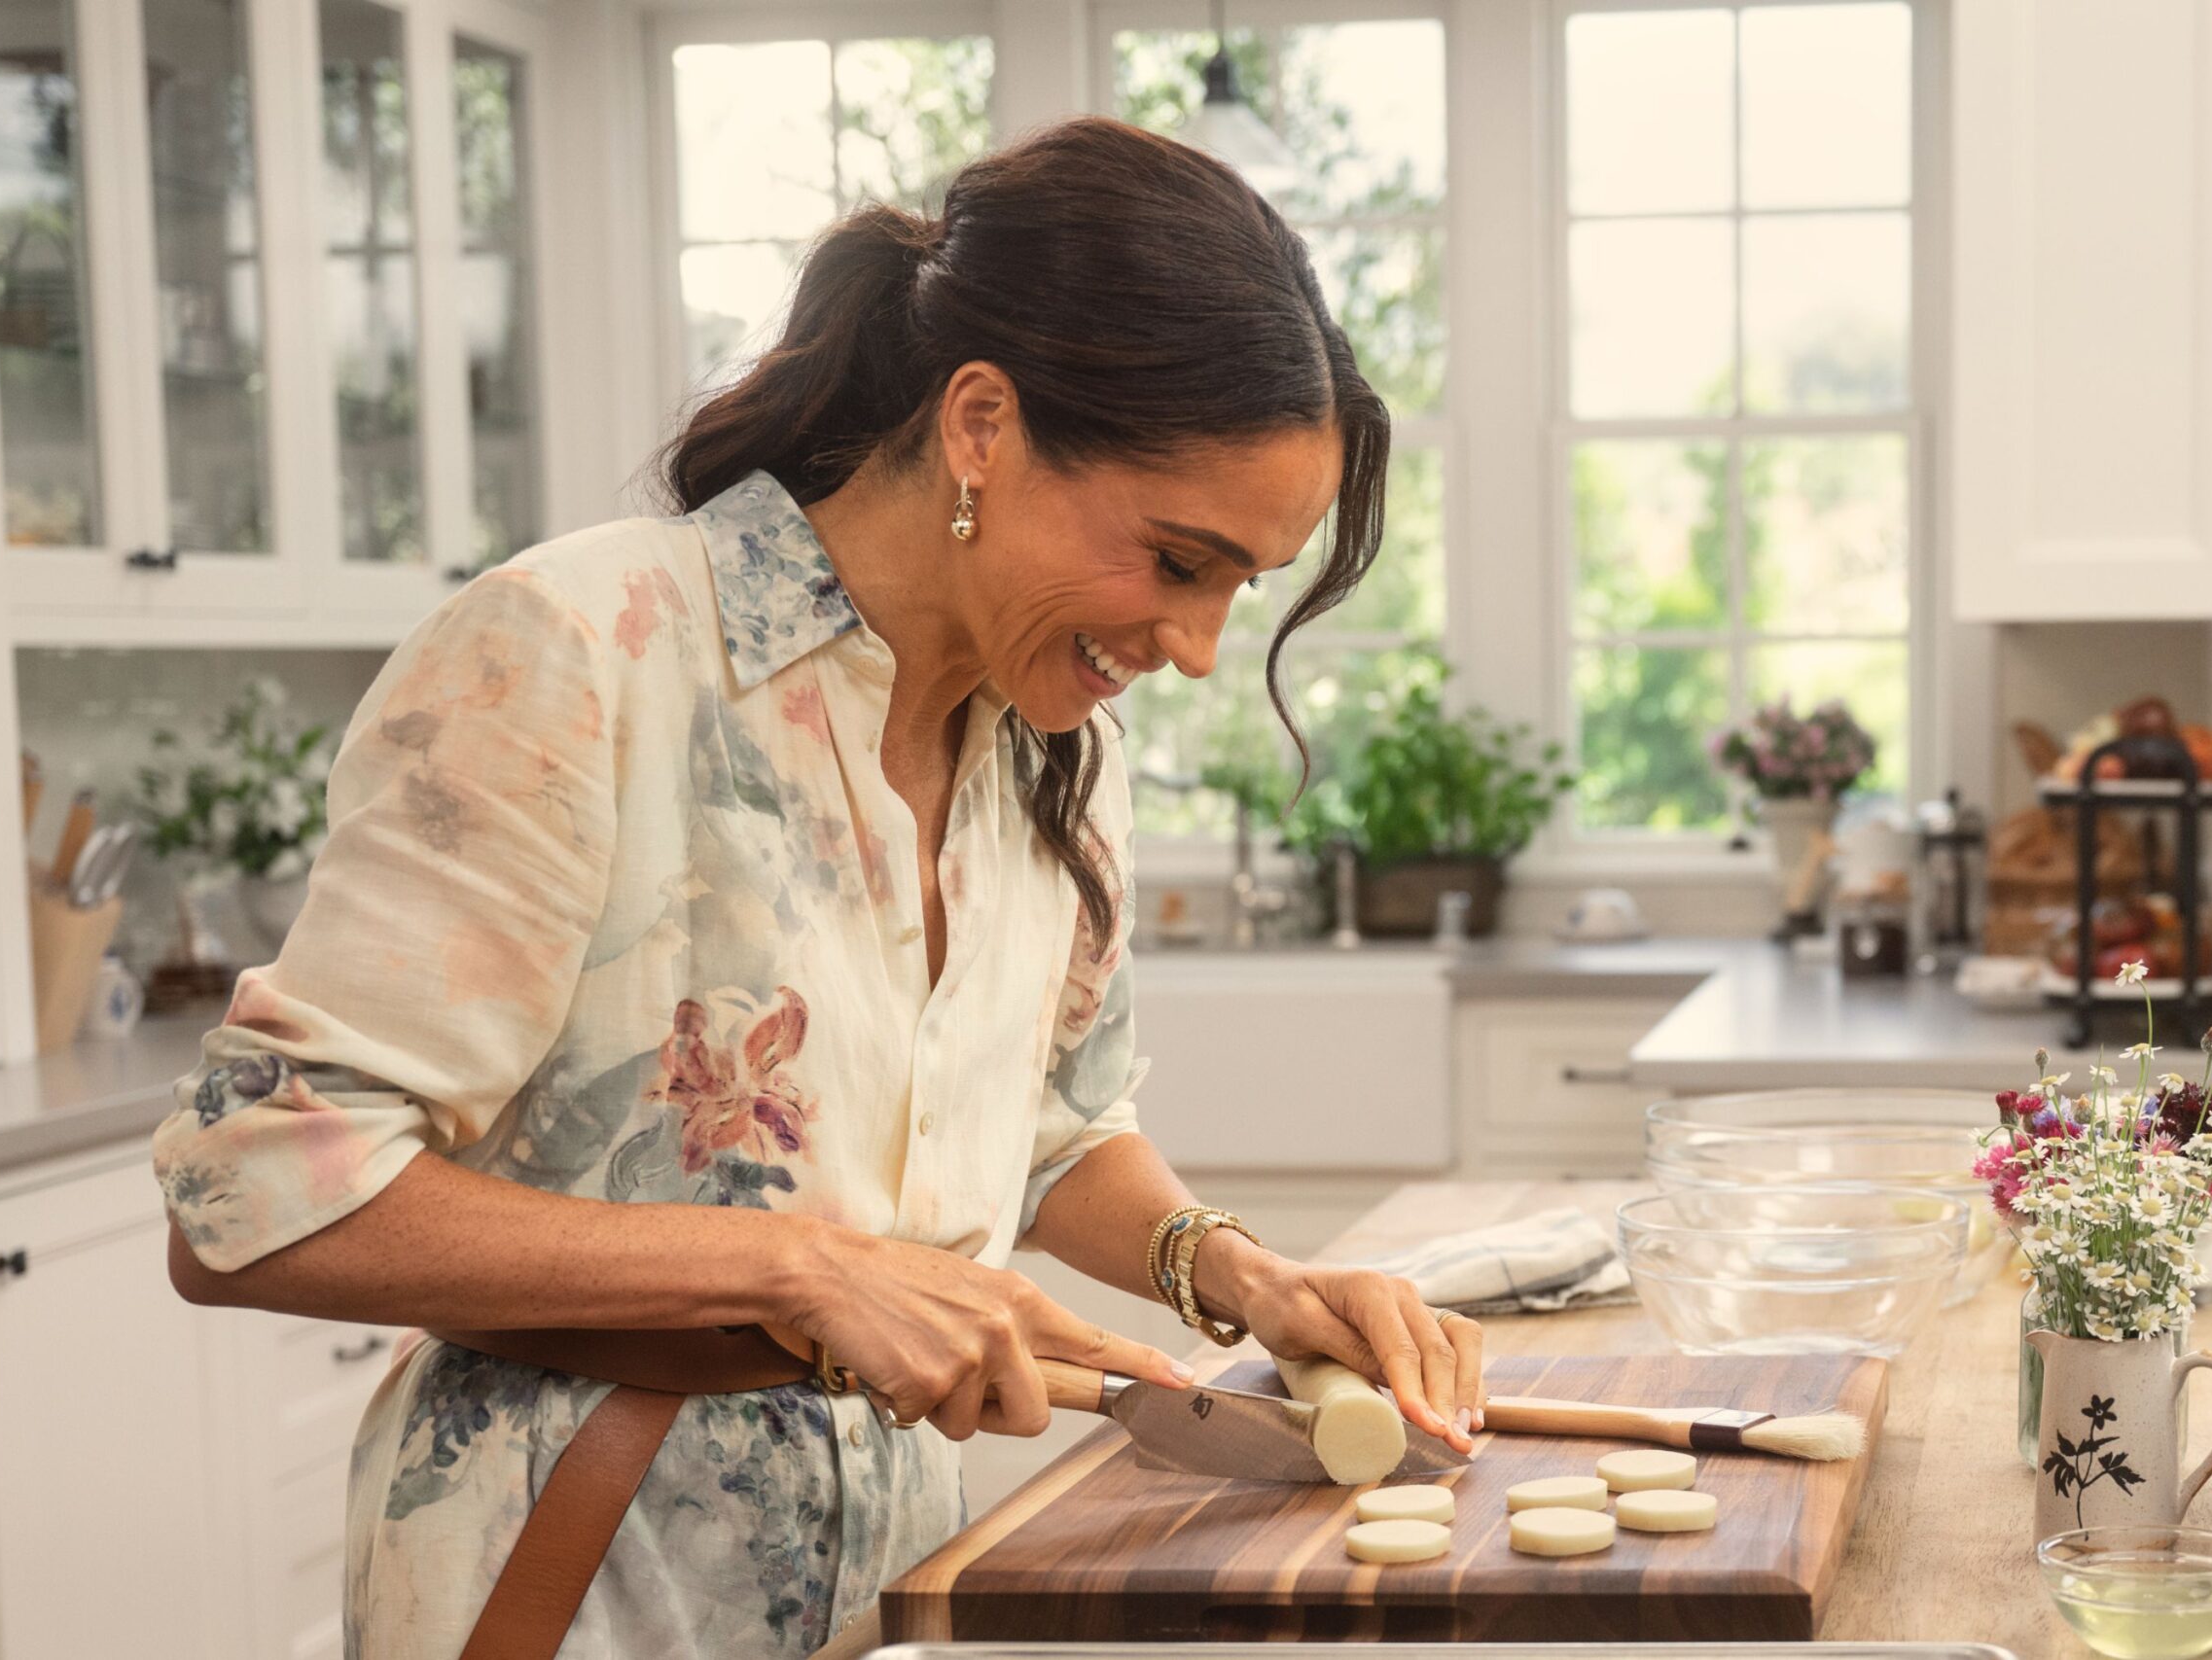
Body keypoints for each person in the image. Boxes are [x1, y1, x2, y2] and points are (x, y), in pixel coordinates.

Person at [155, 116, 1485, 1660]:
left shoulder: (1053, 751)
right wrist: (801, 1269)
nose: (1195, 647)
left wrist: (1234, 1275)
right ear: (982, 424)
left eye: (1237, 592)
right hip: (575, 1581)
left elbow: (1052, 1137)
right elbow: (252, 1193)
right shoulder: (581, 654)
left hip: (907, 1580)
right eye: (1177, 562)